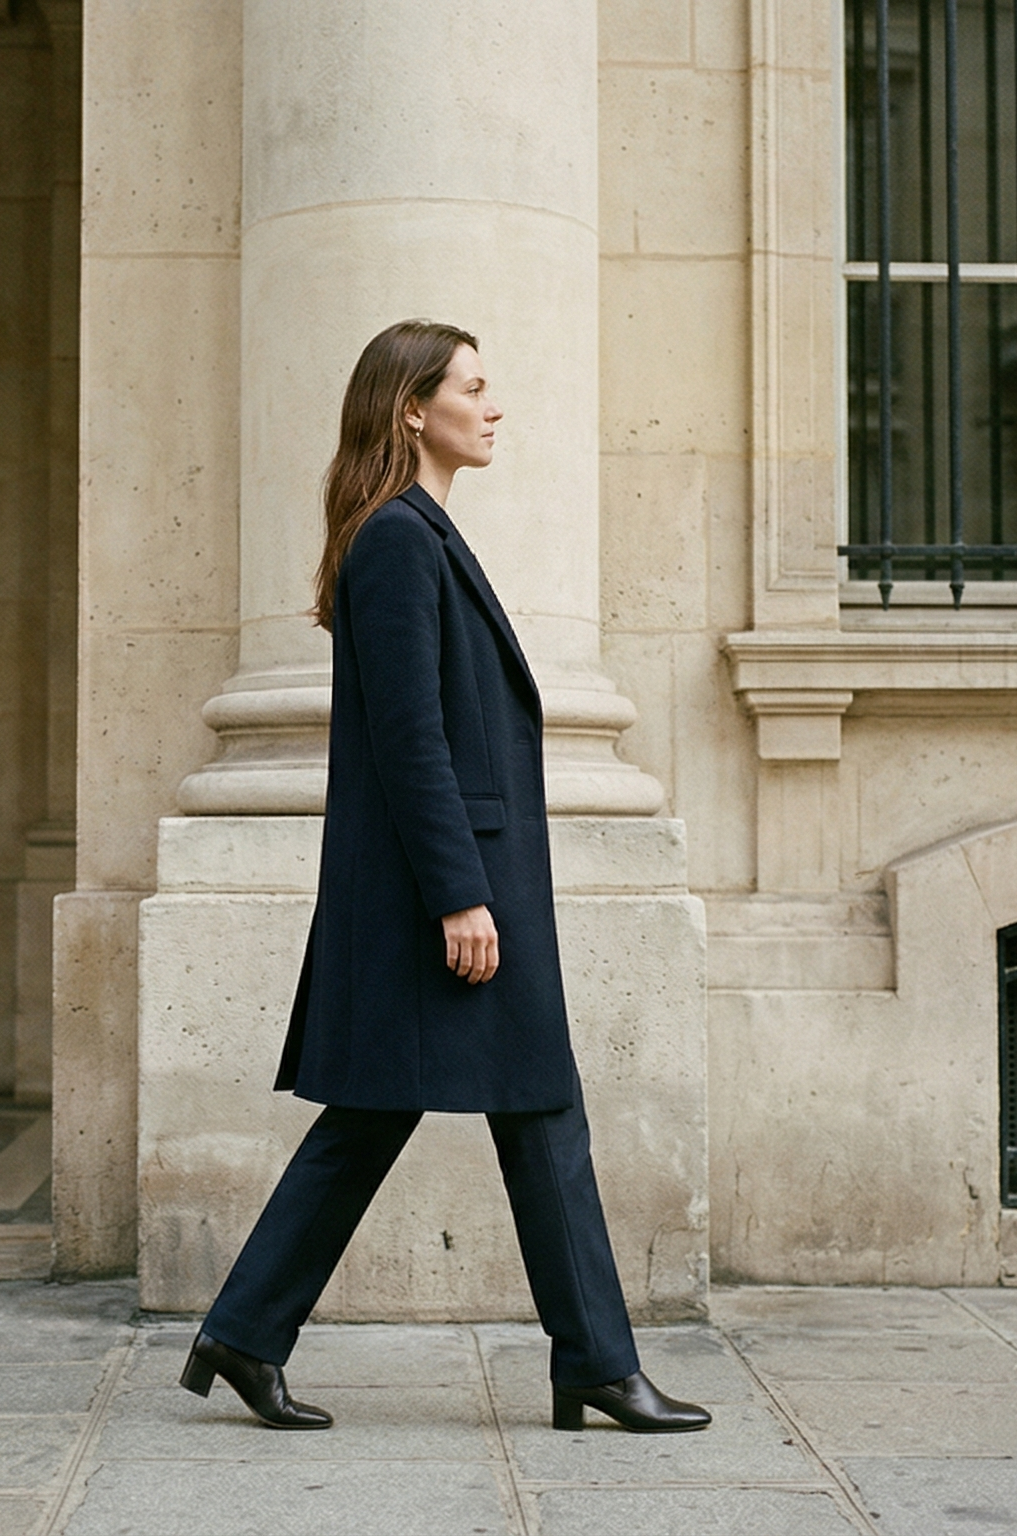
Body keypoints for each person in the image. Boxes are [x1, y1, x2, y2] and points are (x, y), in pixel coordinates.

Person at [178, 320, 709, 1436]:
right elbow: (410, 741)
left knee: (388, 1115)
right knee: (531, 1106)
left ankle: (243, 1333)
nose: (493, 405)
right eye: (472, 386)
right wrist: (458, 895)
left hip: (449, 878)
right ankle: (597, 1367)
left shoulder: (413, 536)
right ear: (412, 408)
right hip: (449, 888)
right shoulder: (397, 542)